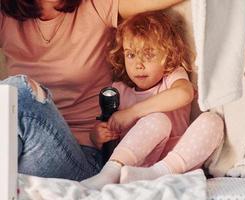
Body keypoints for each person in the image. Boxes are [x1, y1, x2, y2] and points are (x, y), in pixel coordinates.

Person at [0, 0, 187, 181]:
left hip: (83, 157)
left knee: (19, 91)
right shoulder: (5, 14)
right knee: (11, 97)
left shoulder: (96, 5)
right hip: (19, 151)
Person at [81, 11, 224, 190]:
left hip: (178, 162)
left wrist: (133, 112)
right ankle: (109, 173)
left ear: (169, 55)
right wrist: (98, 136)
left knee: (213, 121)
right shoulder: (119, 90)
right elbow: (105, 132)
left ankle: (159, 173)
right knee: (157, 120)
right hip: (133, 167)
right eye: (131, 55)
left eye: (148, 54)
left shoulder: (173, 77)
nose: (138, 64)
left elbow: (184, 94)